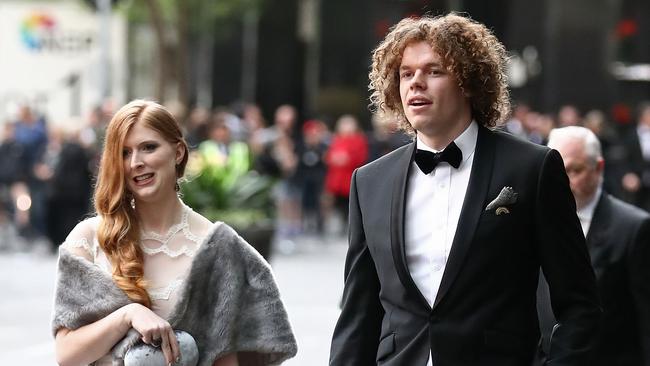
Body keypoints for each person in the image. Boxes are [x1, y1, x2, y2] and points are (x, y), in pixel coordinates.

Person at [329, 13, 600, 366]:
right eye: (406, 73)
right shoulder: (369, 182)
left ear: (469, 81)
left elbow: (579, 303)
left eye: (434, 71)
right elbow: (358, 316)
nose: (416, 83)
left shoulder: (532, 168)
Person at [52, 100, 296, 366]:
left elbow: (227, 359)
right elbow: (67, 355)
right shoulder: (87, 238)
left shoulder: (217, 246)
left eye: (149, 147)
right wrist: (128, 315)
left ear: (178, 151)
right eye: (124, 152)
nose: (136, 162)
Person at [537, 126, 650, 366]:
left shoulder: (633, 229)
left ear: (598, 168)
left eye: (574, 170)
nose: (564, 180)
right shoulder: (532, 221)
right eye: (557, 170)